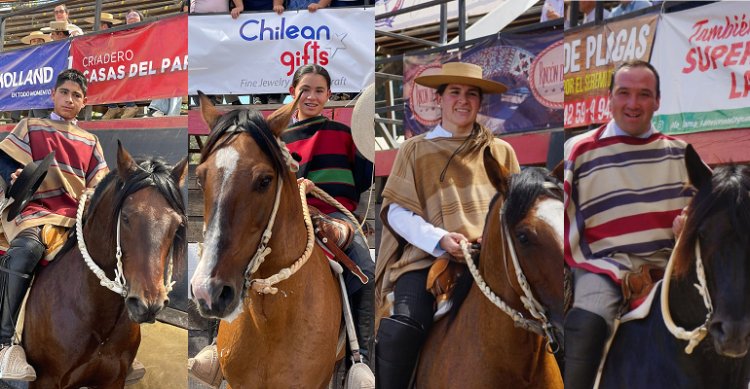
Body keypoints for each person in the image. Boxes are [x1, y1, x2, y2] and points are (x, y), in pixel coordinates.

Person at [188, 64, 376, 388]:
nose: (312, 96)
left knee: (366, 270)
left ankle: (360, 361)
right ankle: (214, 348)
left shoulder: (345, 135)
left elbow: (360, 180)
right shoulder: (272, 137)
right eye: (305, 89)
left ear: (329, 96)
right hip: (287, 214)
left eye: (320, 90)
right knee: (223, 256)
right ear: (293, 93)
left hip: (334, 216)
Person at [374, 62, 520, 389]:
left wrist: (493, 237)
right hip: (429, 259)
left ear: (480, 102)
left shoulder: (502, 151)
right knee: (405, 326)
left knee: (548, 316)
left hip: (493, 260)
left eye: (471, 93)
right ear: (439, 100)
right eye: (454, 92)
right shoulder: (415, 149)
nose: (463, 100)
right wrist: (441, 240)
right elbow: (396, 211)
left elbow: (517, 208)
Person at [563, 60, 696, 389]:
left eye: (644, 94)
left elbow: (709, 210)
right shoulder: (579, 150)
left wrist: (692, 224)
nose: (633, 104)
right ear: (609, 98)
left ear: (657, 101)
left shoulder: (682, 153)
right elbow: (561, 214)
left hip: (672, 269)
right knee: (587, 323)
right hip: (604, 266)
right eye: (624, 93)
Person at [0, 69, 109, 381]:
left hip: (76, 217)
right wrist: (12, 175)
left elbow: (99, 184)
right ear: (53, 94)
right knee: (25, 250)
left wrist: (93, 197)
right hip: (35, 210)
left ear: (84, 102)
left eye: (76, 96)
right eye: (64, 93)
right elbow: (5, 159)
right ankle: (3, 343)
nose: (69, 99)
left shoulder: (91, 140)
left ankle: (110, 346)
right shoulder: (31, 125)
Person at [101, 10, 143, 120]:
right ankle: (113, 107)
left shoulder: (147, 31)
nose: (132, 17)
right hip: (124, 67)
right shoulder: (121, 35)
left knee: (121, 72)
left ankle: (130, 106)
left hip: (142, 67)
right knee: (105, 72)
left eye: (135, 15)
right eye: (129, 16)